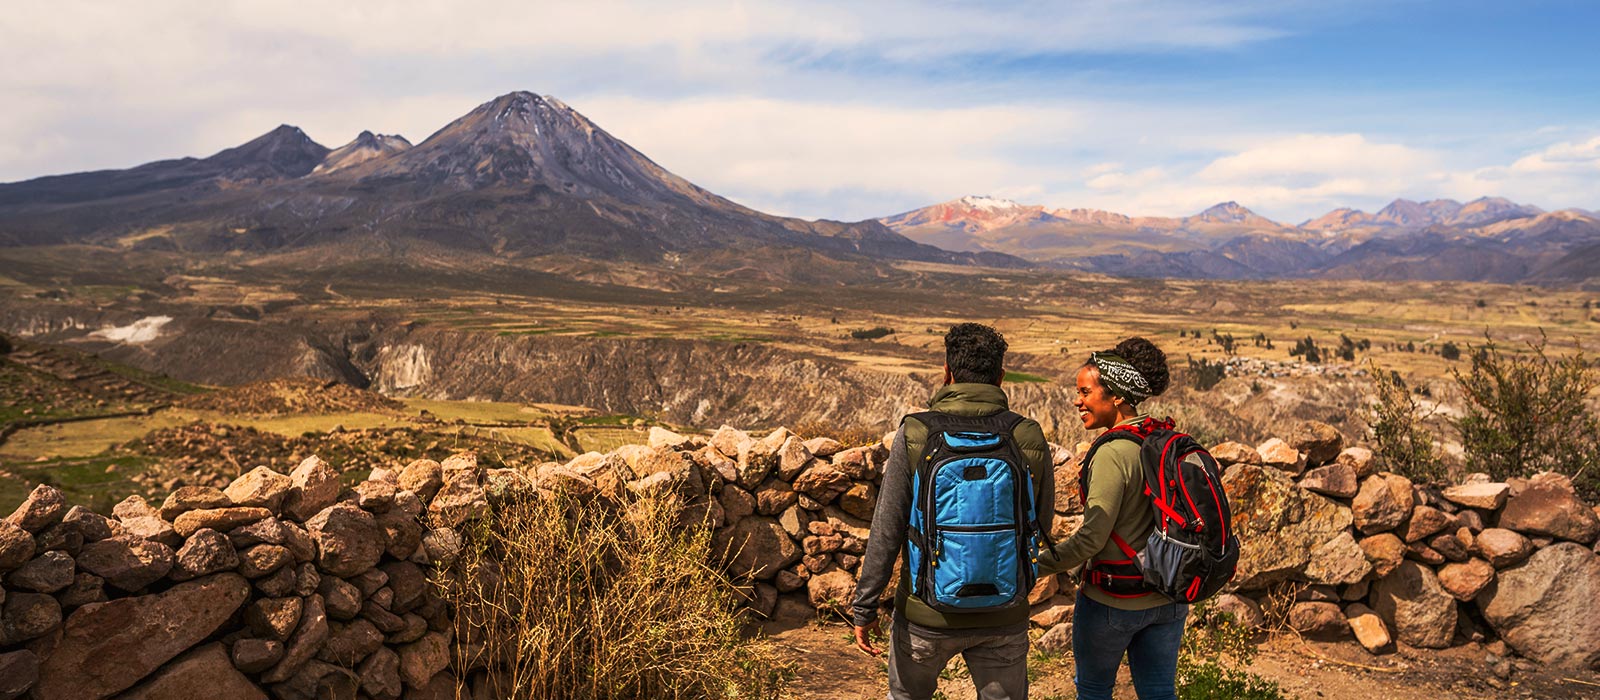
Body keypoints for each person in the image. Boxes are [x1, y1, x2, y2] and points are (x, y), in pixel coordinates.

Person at [850, 322, 1054, 700]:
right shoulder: (1027, 435)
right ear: (1001, 376)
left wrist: (864, 607)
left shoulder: (916, 433)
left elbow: (887, 528)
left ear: (947, 371)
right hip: (1004, 613)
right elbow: (1040, 523)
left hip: (925, 614)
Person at [1037, 336, 1186, 700]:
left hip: (1113, 601)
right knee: (1159, 693)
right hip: (1168, 598)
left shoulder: (1112, 453)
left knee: (1093, 691)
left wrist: (1034, 566)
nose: (1077, 401)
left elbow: (1092, 538)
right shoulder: (1163, 437)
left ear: (1116, 395)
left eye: (1085, 392)